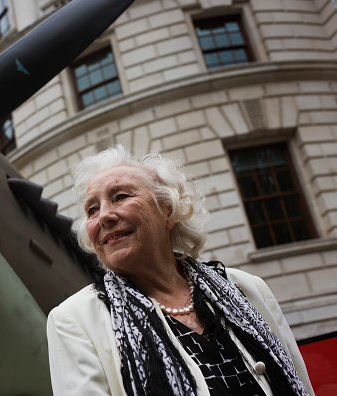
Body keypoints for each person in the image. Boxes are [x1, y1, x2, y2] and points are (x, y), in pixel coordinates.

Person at [46, 145, 314, 395]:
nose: (104, 215)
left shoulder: (248, 289)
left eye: (120, 197)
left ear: (168, 209)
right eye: (92, 210)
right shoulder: (73, 320)